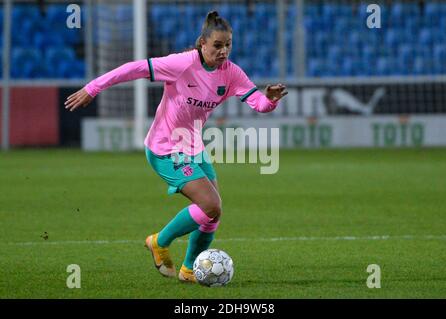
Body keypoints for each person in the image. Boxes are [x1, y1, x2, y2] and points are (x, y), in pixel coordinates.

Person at [65, 11, 288, 283]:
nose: (223, 51)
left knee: (212, 215)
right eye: (217, 45)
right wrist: (93, 87)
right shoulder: (182, 64)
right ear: (202, 44)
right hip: (164, 147)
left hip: (193, 145)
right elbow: (133, 68)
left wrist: (271, 99)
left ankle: (189, 269)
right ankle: (159, 241)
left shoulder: (231, 73)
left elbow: (259, 104)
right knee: (211, 204)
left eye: (228, 44)